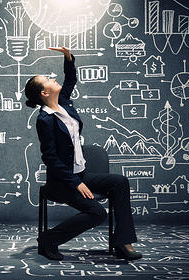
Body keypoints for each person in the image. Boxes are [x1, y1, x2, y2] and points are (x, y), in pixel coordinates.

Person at [25, 46, 142, 261]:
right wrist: (75, 183)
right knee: (98, 213)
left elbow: (70, 80)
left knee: (120, 182)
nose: (53, 79)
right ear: (44, 93)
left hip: (81, 175)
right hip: (62, 183)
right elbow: (50, 158)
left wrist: (68, 58)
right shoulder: (45, 119)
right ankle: (49, 239)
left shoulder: (63, 103)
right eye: (49, 80)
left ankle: (122, 243)